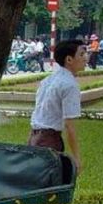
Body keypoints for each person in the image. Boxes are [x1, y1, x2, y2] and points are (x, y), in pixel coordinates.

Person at [28, 39, 87, 174]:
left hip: (34, 137)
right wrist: (77, 158)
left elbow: (38, 114)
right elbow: (69, 125)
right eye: (82, 54)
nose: (86, 58)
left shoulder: (48, 80)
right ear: (69, 59)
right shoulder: (69, 85)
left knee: (35, 181)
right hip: (49, 140)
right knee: (48, 186)